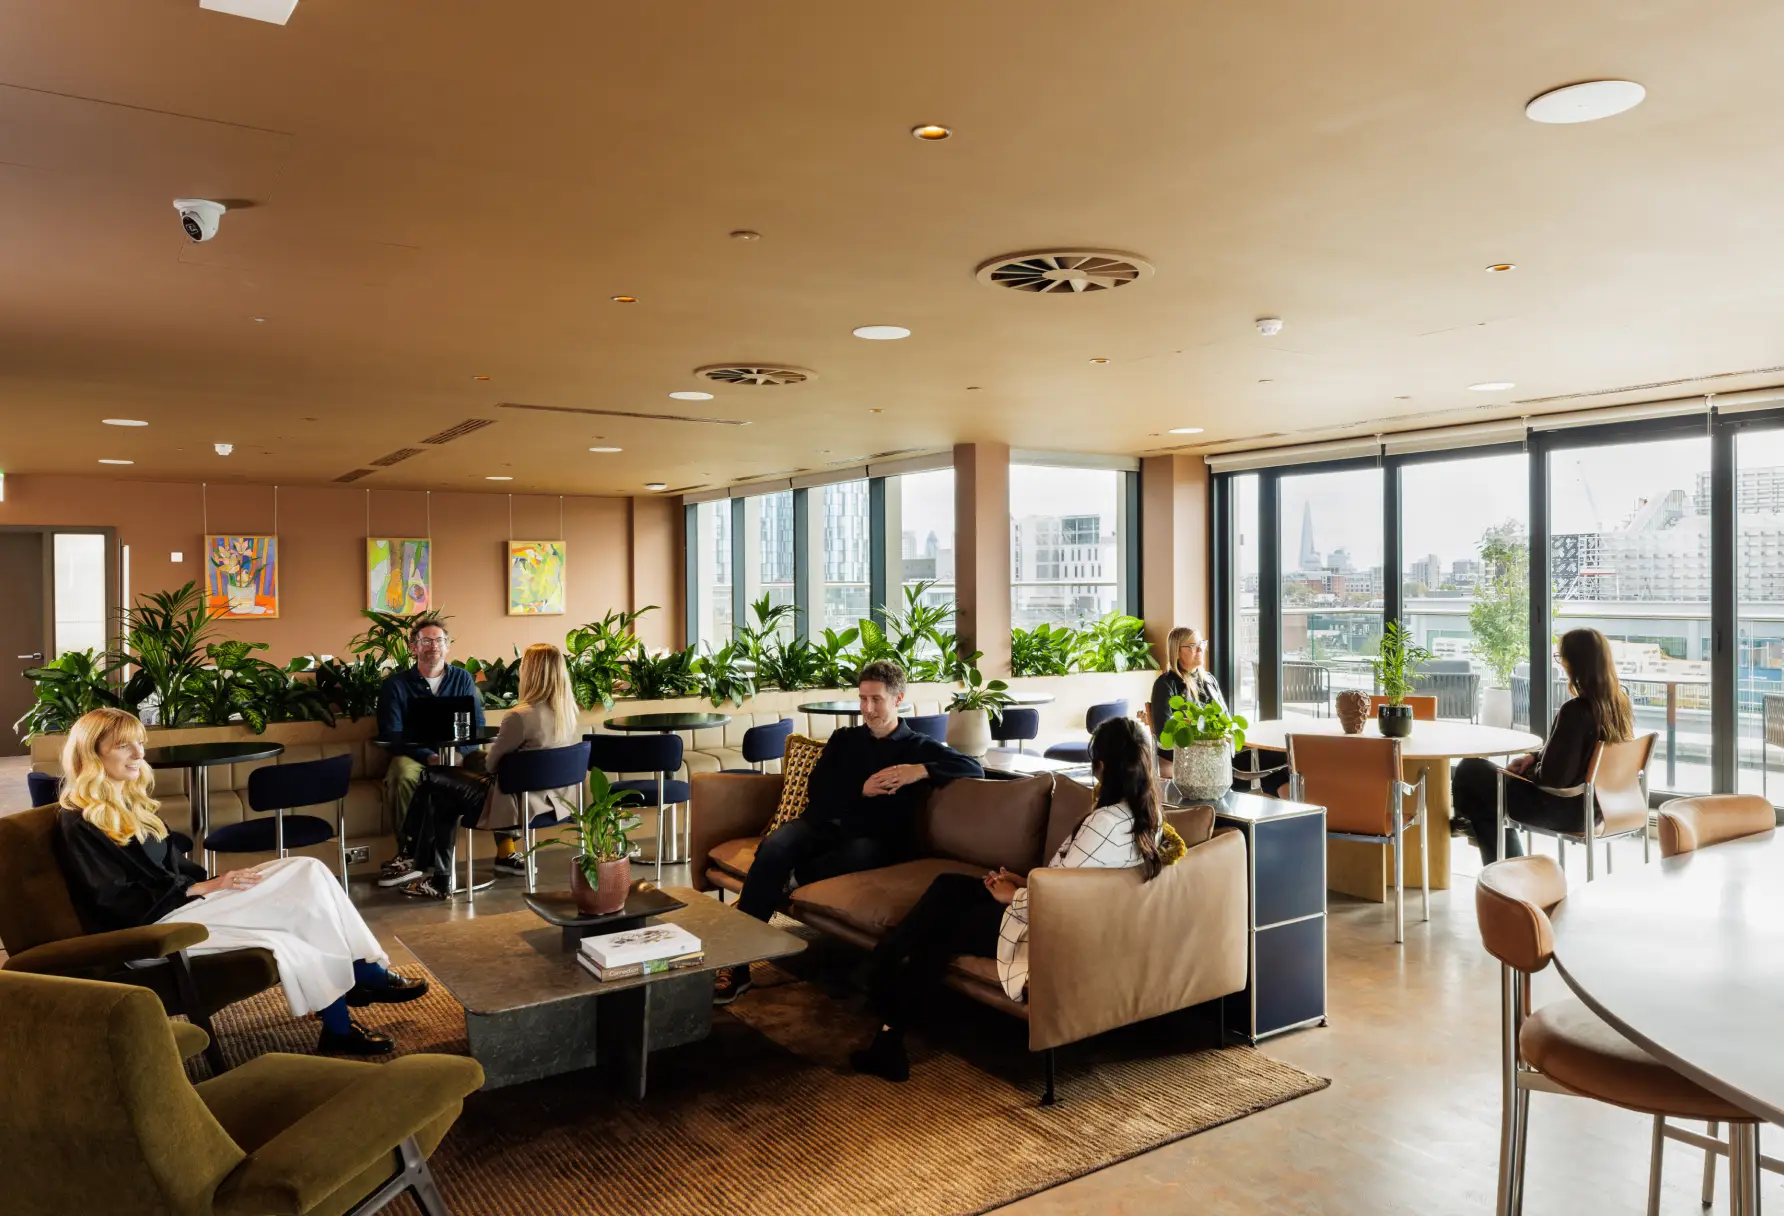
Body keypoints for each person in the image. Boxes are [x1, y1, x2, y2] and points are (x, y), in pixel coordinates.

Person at [52, 708, 426, 1056]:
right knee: (300, 899)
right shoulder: (80, 822)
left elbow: (176, 868)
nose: (139, 753)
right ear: (92, 753)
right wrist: (196, 889)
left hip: (185, 907)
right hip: (154, 932)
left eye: (140, 743)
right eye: (124, 746)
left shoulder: (131, 804)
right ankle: (364, 976)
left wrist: (214, 884)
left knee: (307, 870)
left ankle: (344, 1018)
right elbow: (111, 900)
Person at [850, 715, 1166, 1082]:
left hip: (1046, 928)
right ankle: (886, 966)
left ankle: (886, 1018)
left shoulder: (1105, 822)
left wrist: (1014, 894)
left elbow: (1063, 898)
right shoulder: (1148, 817)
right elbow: (1076, 881)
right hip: (1049, 906)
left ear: (1104, 766)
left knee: (938, 929)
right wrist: (1023, 880)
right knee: (949, 886)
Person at [716, 659, 983, 1005]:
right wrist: (861, 789)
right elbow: (818, 790)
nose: (867, 709)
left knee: (859, 853)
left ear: (898, 699)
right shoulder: (844, 739)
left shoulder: (917, 746)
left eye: (876, 700)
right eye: (863, 699)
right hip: (821, 824)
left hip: (873, 840)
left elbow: (972, 767)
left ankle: (788, 879)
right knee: (775, 845)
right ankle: (737, 965)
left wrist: (920, 770)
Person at [394, 643, 586, 899]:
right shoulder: (567, 713)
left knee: (432, 778)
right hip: (553, 802)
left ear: (530, 672)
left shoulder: (520, 716)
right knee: (442, 794)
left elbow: (492, 764)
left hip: (516, 803)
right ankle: (438, 877)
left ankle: (418, 858)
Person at [1452, 627, 1635, 864]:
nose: (1561, 663)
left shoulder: (1575, 711)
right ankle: (1490, 847)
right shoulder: (1619, 703)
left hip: (1564, 808)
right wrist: (1536, 757)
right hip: (1600, 806)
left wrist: (1530, 771)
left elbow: (1553, 778)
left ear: (1574, 662)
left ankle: (1472, 829)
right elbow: (1582, 753)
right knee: (1486, 801)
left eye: (1561, 657)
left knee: (1471, 770)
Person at [376, 618, 495, 890]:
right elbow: (392, 734)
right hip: (416, 757)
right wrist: (429, 757)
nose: (434, 646)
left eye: (439, 640)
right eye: (427, 641)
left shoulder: (463, 679)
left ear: (448, 646)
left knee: (495, 764)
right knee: (400, 773)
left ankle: (506, 850)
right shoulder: (395, 685)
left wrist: (461, 753)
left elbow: (477, 724)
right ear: (414, 647)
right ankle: (409, 854)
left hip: (460, 756)